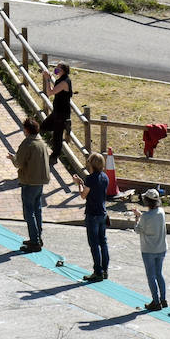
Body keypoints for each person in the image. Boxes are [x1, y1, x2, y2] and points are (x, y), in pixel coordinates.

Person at [13, 117, 50, 252]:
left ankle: (34, 241)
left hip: (29, 181)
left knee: (29, 212)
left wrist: (13, 158)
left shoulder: (28, 143)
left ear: (27, 130)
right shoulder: (42, 143)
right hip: (40, 181)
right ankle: (37, 237)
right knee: (37, 210)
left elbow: (19, 163)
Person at [72, 152, 110, 282]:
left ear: (92, 164)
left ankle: (97, 272)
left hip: (92, 214)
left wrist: (79, 183)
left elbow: (83, 195)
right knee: (103, 243)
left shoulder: (90, 178)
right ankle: (104, 270)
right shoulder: (105, 177)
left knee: (94, 244)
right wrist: (83, 182)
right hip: (103, 213)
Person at [131, 189, 168, 310]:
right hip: (161, 248)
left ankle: (155, 302)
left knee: (151, 276)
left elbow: (137, 229)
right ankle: (163, 299)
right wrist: (141, 215)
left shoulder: (146, 217)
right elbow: (151, 220)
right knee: (159, 274)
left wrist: (137, 217)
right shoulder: (161, 212)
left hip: (149, 250)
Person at [43, 62, 73, 166]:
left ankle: (54, 156)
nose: (56, 69)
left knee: (57, 136)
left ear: (63, 70)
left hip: (62, 113)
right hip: (57, 111)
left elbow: (50, 92)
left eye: (58, 68)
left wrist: (47, 79)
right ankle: (65, 126)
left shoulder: (65, 82)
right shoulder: (60, 79)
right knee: (44, 126)